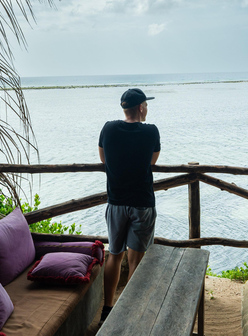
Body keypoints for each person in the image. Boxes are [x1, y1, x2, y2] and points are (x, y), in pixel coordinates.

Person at [98, 88, 160, 323]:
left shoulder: (109, 128)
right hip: (142, 203)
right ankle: (130, 311)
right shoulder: (151, 131)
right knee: (136, 260)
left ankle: (107, 309)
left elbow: (103, 158)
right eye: (147, 105)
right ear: (141, 107)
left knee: (114, 255)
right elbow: (151, 161)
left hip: (116, 202)